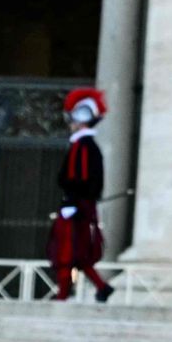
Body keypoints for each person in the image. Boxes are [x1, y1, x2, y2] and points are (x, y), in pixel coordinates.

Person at [48, 87, 111, 303]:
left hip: (76, 206)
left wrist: (71, 201)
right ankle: (101, 287)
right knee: (78, 254)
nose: (70, 123)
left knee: (67, 252)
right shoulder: (84, 145)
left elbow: (77, 178)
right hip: (81, 205)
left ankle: (63, 295)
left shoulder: (82, 146)